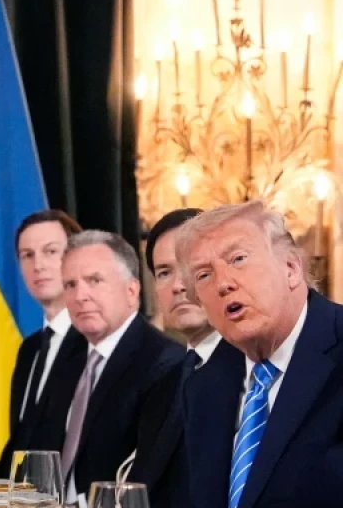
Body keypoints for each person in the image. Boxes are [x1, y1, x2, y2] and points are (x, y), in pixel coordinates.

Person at [180, 201, 343, 508]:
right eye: (204, 275)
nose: (223, 283)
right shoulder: (203, 386)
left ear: (291, 268)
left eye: (238, 259)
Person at [52, 230, 182, 504]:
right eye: (70, 285)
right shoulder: (70, 355)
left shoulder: (165, 363)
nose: (80, 296)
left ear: (131, 291)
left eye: (94, 280)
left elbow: (144, 481)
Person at [127, 208, 223, 508]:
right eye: (164, 272)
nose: (178, 286)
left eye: (190, 267)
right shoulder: (165, 379)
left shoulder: (255, 373)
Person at [0, 210, 88, 478]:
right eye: (27, 255)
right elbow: (20, 447)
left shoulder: (95, 344)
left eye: (50, 251)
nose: (38, 265)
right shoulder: (30, 349)